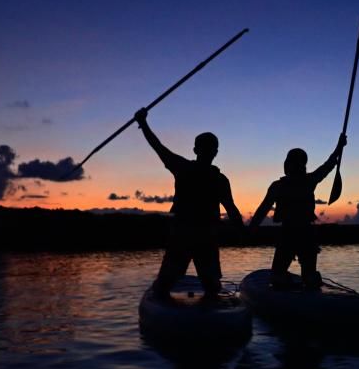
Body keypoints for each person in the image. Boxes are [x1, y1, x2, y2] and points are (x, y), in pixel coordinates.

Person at [134, 107, 244, 300]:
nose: (209, 151)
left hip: (197, 235)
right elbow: (232, 211)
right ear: (213, 152)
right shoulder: (198, 172)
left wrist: (143, 123)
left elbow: (158, 146)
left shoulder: (198, 172)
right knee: (201, 284)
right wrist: (143, 123)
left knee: (194, 284)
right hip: (188, 235)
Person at [249, 133, 347, 289]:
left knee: (287, 275)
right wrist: (338, 148)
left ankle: (303, 283)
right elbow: (328, 165)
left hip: (294, 233)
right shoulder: (306, 181)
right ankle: (306, 282)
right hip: (298, 233)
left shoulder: (295, 183)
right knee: (300, 275)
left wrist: (339, 147)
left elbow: (262, 210)